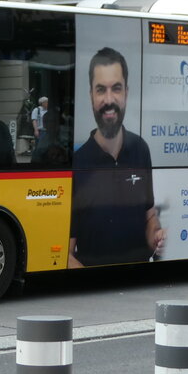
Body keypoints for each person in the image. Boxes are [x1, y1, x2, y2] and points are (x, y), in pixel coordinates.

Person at [69, 47, 166, 267]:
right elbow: (65, 252)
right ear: (91, 96)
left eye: (117, 88)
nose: (109, 99)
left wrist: (157, 237)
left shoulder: (141, 149)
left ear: (126, 93)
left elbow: (149, 215)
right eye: (101, 89)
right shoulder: (78, 162)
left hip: (139, 280)